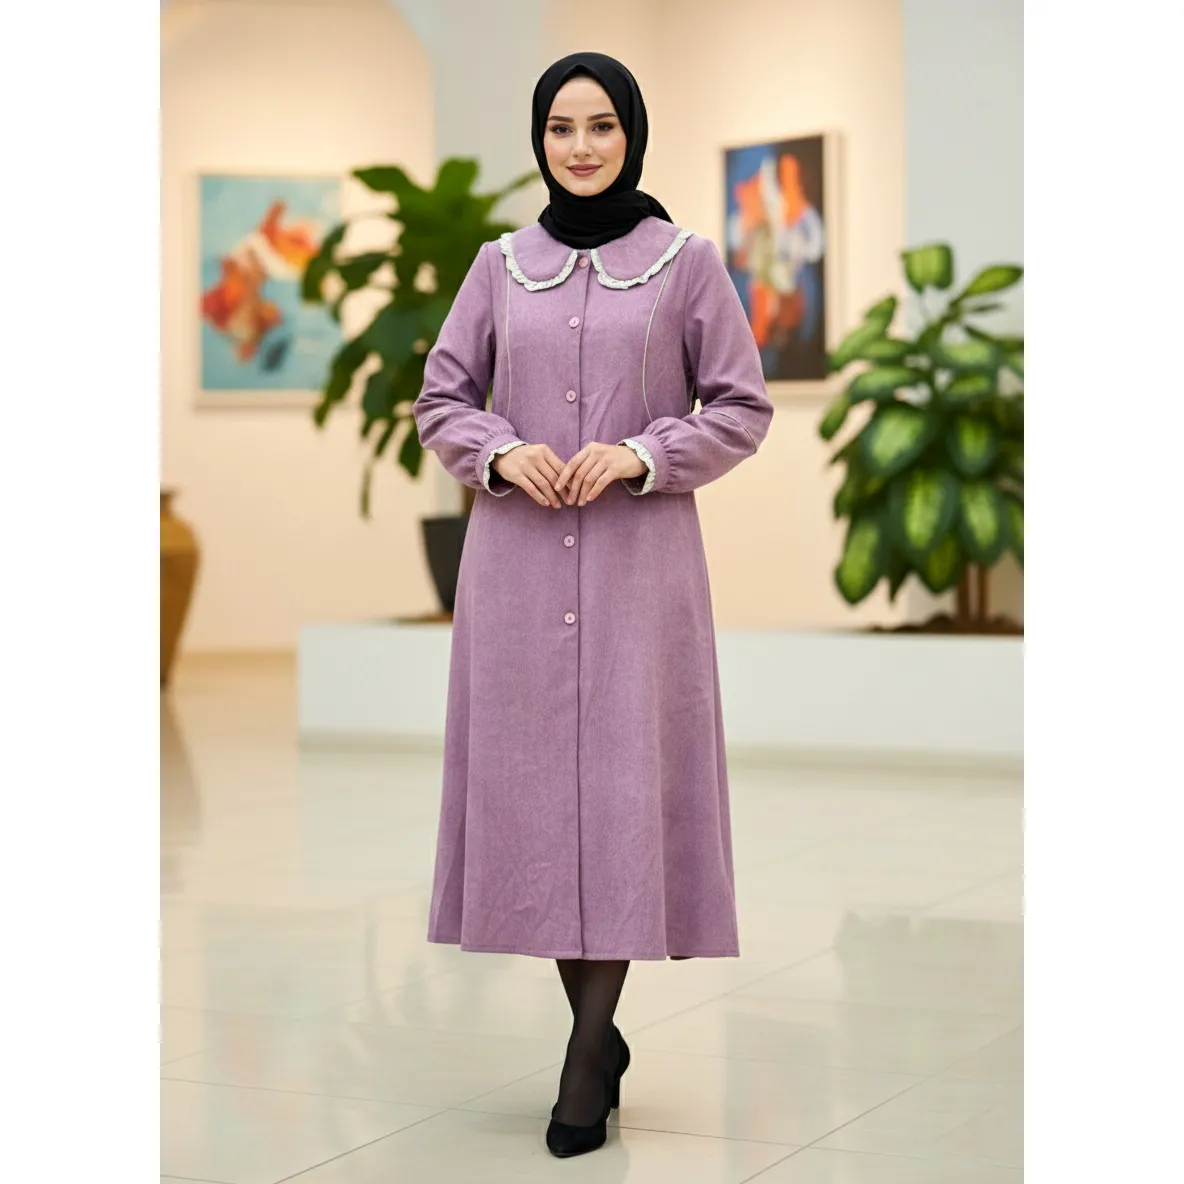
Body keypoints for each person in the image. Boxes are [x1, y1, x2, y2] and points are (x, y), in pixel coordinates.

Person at [412, 51, 774, 1158]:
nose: (580, 146)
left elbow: (740, 405)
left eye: (602, 125)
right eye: (561, 127)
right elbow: (441, 398)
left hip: (637, 576)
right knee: (538, 805)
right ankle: (597, 1035)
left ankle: (583, 1058)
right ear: (539, 140)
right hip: (516, 578)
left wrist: (640, 453)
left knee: (620, 798)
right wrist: (499, 449)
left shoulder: (684, 263)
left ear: (633, 135)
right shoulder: (497, 267)